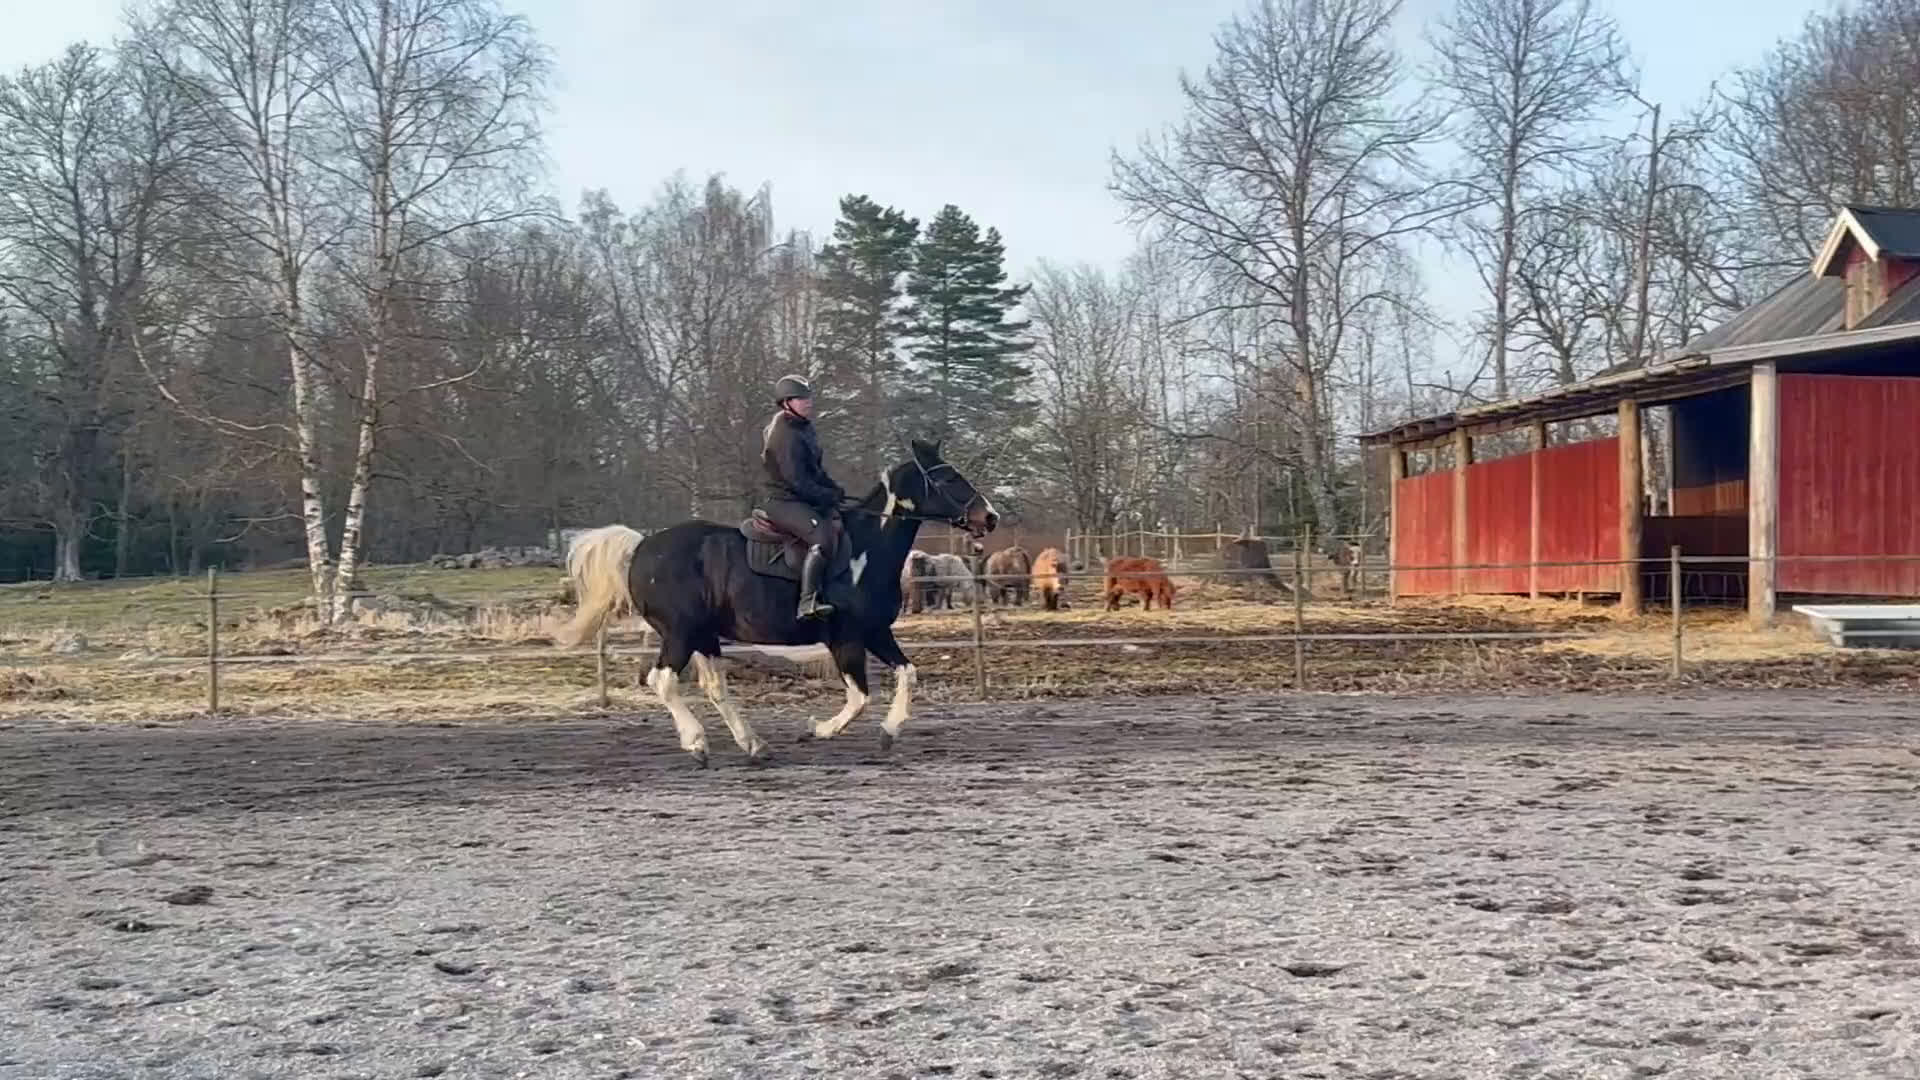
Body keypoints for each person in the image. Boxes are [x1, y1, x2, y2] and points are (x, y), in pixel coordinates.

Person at [758, 374, 847, 620]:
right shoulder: (784, 434)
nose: (808, 402)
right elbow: (796, 481)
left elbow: (815, 471)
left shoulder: (804, 428)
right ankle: (807, 601)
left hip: (801, 497)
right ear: (786, 403)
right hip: (783, 501)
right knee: (821, 536)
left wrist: (835, 488)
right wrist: (826, 496)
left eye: (808, 397)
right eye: (800, 398)